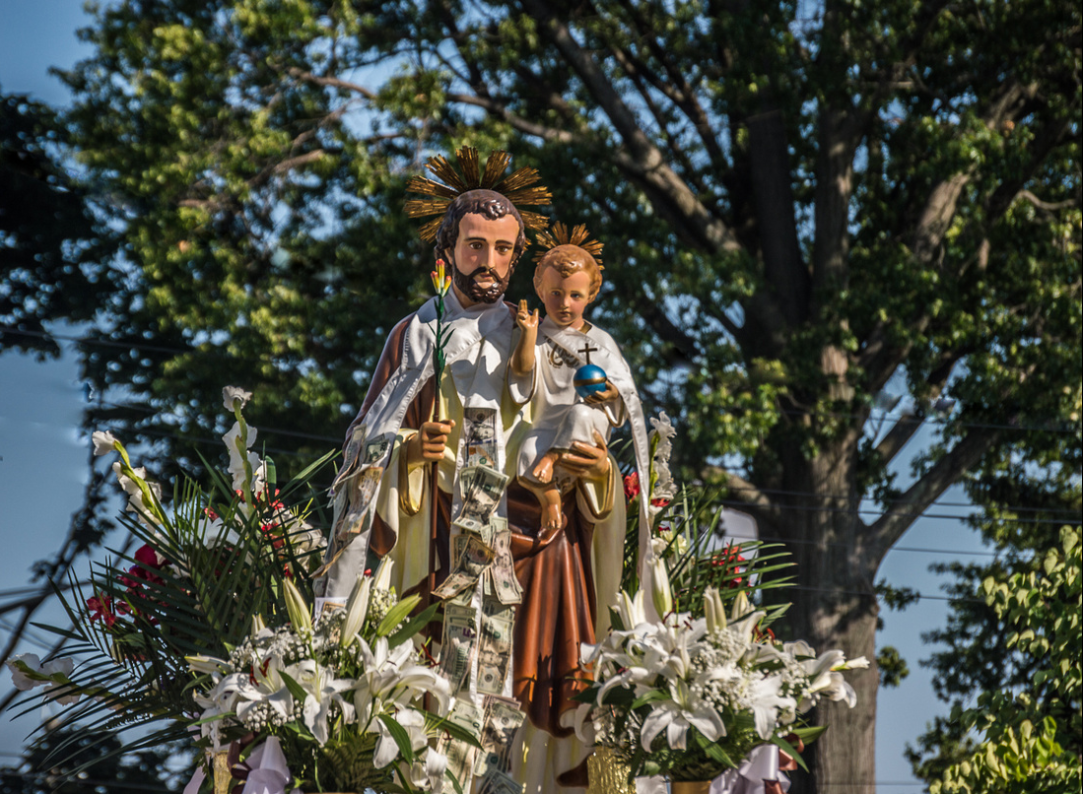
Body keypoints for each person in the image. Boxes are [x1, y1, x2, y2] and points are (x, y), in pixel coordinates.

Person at [314, 148, 650, 793]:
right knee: (431, 702)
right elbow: (362, 447)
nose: (489, 262)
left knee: (522, 698)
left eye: (502, 250)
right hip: (433, 542)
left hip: (528, 542)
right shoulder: (415, 335)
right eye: (475, 246)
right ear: (447, 249)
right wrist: (410, 449)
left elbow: (585, 417)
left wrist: (593, 470)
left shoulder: (543, 333)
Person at [511, 224, 637, 538]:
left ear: (592, 294)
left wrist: (610, 393)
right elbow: (522, 373)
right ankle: (548, 495)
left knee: (579, 414)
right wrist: (528, 336)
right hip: (547, 421)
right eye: (556, 293)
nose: (565, 303)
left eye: (575, 295)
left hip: (584, 422)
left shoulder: (601, 342)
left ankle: (554, 458)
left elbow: (625, 390)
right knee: (526, 452)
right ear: (540, 290)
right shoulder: (537, 335)